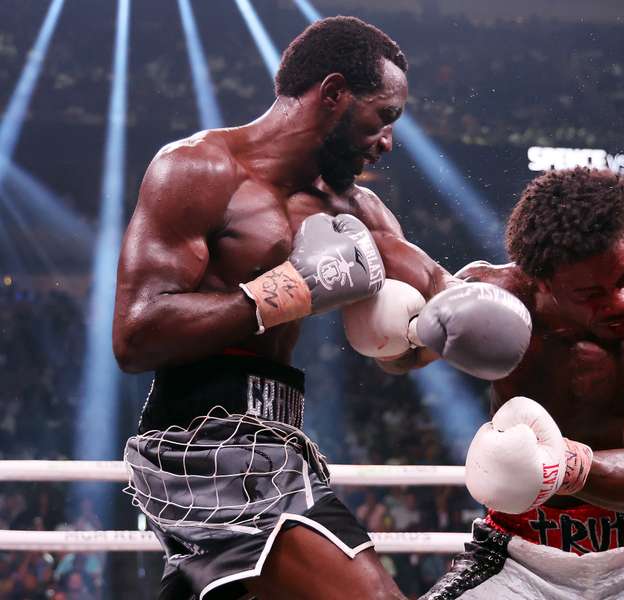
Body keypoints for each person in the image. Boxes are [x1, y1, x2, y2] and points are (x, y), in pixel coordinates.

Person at [113, 16, 530, 600]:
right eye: (383, 117)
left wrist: (425, 334)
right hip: (200, 442)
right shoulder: (199, 169)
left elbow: (427, 313)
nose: (387, 141)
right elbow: (136, 336)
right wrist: (289, 290)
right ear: (333, 94)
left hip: (280, 438)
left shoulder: (360, 211)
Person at [384, 167, 624, 598]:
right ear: (540, 280)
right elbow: (400, 360)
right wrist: (397, 335)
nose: (622, 302)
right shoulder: (493, 297)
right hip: (517, 555)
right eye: (591, 294)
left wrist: (558, 465)